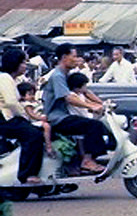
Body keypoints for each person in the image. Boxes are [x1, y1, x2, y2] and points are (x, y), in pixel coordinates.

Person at [42, 44, 113, 175]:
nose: (77, 59)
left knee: (93, 125)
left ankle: (87, 159)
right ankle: (87, 161)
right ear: (64, 57)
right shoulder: (57, 76)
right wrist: (90, 106)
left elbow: (84, 90)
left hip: (66, 114)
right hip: (57, 118)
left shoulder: (68, 74)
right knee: (93, 125)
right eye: (74, 56)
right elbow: (68, 97)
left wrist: (101, 103)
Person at [0, 48, 45, 184]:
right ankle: (27, 174)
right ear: (15, 63)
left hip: (10, 118)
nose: (26, 66)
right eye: (23, 63)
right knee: (33, 135)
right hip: (5, 119)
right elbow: (11, 102)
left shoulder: (14, 79)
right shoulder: (5, 78)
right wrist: (25, 117)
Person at [17, 83, 52, 155]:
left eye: (33, 94)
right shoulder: (27, 104)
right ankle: (48, 146)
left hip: (41, 118)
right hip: (34, 121)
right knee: (46, 126)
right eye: (29, 94)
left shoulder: (35, 101)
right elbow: (31, 114)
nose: (32, 96)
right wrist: (40, 118)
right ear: (22, 96)